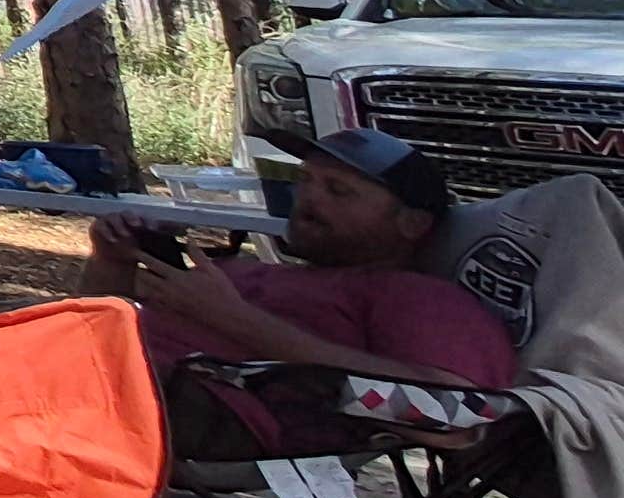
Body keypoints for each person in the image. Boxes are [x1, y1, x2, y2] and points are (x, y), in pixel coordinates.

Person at [83, 127, 515, 457]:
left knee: (55, 382)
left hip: (208, 409)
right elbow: (96, 320)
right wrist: (112, 261)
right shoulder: (254, 271)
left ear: (412, 223)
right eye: (305, 180)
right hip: (113, 377)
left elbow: (451, 411)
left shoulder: (417, 297)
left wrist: (236, 321)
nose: (307, 198)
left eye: (338, 190)